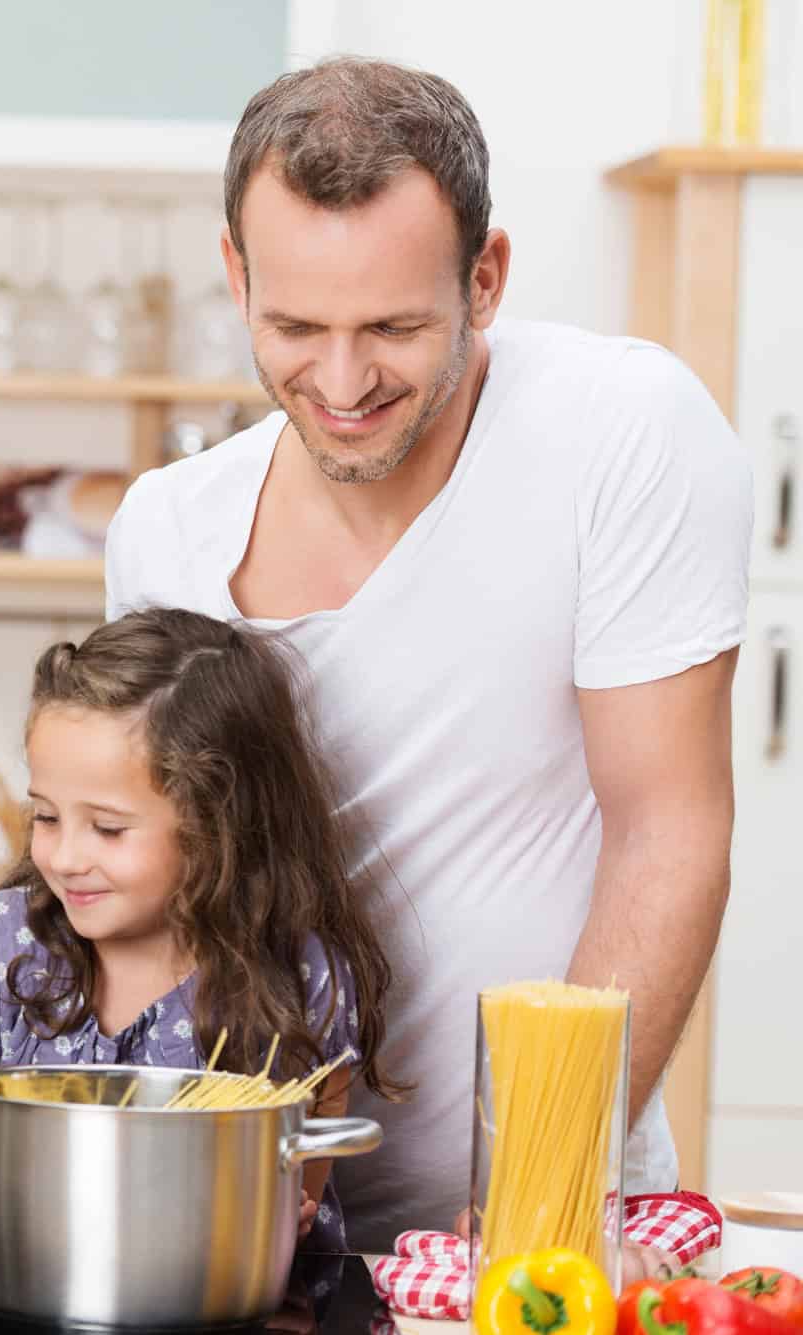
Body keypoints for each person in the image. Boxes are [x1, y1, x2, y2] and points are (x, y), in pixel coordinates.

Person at [104, 58, 750, 1246]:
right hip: (245, 1230)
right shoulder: (165, 530)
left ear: (484, 276)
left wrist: (525, 1211)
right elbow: (162, 901)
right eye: (294, 326)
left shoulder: (619, 431)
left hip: (548, 1209)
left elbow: (668, 833)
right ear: (235, 274)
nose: (340, 383)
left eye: (393, 328)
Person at [0, 610, 405, 1252]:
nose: (66, 856)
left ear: (217, 824)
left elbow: (289, 1206)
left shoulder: (299, 979)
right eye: (45, 816)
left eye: (107, 828)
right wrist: (109, 1207)